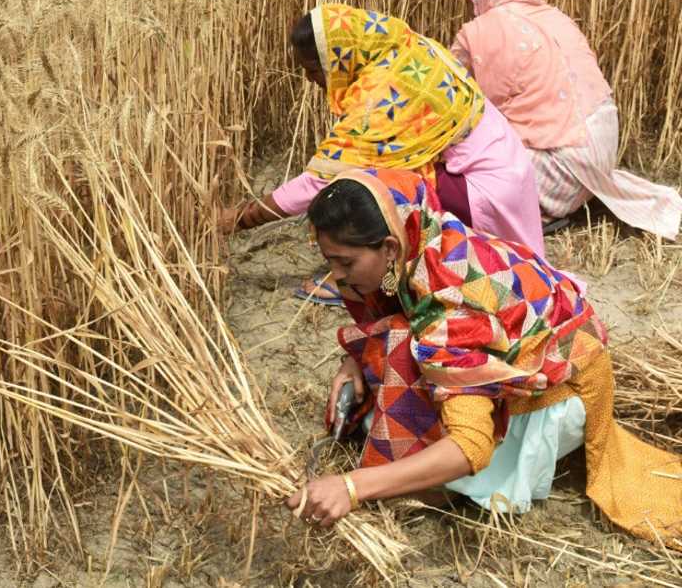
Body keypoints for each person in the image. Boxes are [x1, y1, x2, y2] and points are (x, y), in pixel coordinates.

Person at [283, 168, 681, 548]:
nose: (335, 276)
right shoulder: (423, 235)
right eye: (329, 261)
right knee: (400, 347)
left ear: (389, 248)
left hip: (563, 395)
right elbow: (395, 313)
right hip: (533, 355)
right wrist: (353, 361)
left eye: (345, 263)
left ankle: (445, 484)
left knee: (422, 454)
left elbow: (470, 446)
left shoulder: (450, 306)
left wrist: (353, 487)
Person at [219, 4, 545, 304]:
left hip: (485, 190)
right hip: (508, 168)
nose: (309, 80)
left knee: (367, 185)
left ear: (339, 60)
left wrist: (238, 219)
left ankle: (373, 281)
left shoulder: (382, 93)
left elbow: (318, 183)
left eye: (313, 70)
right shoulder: (405, 47)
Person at [452, 0, 682, 239]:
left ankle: (536, 212)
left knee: (464, 161)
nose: (474, 10)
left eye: (474, 0)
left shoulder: (479, 31)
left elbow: (452, 89)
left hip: (564, 164)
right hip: (602, 150)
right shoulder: (555, 16)